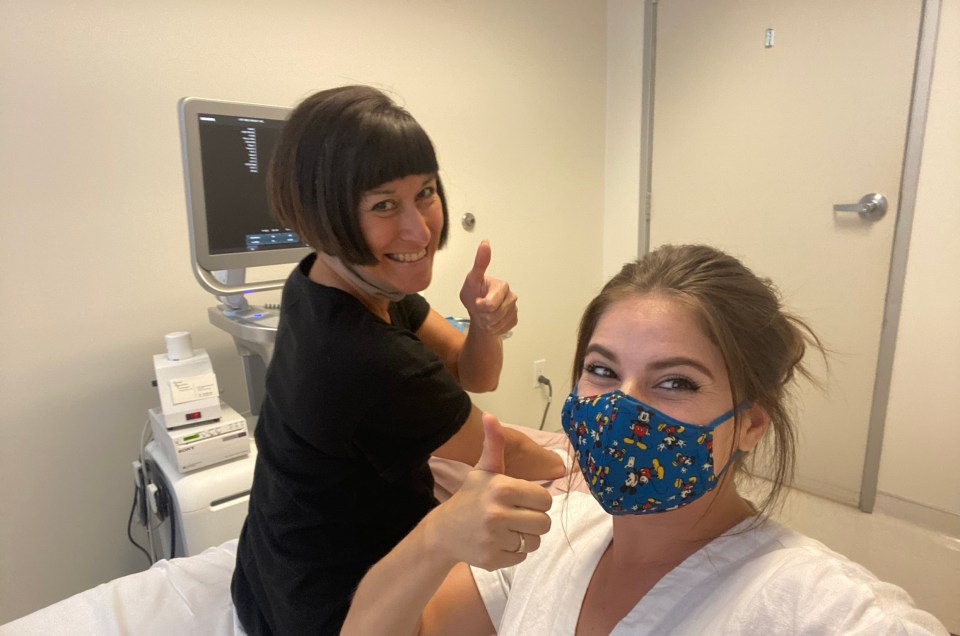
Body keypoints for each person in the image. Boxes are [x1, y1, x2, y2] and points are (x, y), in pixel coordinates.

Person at [342, 243, 949, 635]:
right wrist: (436, 537)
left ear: (750, 423)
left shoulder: (812, 606)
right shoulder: (550, 541)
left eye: (676, 381)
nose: (622, 410)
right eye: (603, 371)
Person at [230, 85, 565, 635]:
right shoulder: (365, 359)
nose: (420, 230)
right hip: (337, 611)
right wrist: (580, 464)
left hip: (270, 577)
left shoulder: (326, 278)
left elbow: (474, 373)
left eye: (426, 193)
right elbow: (521, 455)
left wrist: (482, 325)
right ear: (323, 216)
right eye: (384, 205)